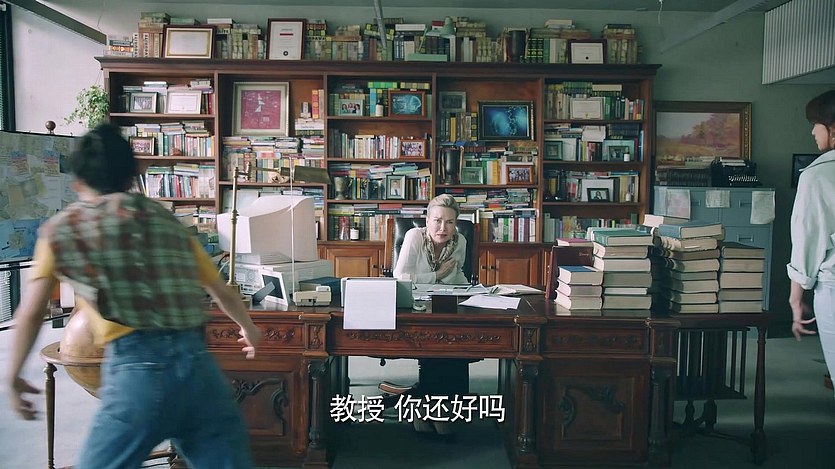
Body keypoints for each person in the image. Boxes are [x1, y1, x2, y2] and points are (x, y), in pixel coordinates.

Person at [6, 123, 261, 468]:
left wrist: (12, 375)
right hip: (200, 369)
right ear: (132, 177)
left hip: (137, 372)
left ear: (77, 182)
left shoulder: (62, 230)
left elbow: (31, 312)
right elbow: (219, 288)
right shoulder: (166, 220)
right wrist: (247, 327)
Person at [391, 194, 469, 438]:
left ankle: (441, 409)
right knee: (437, 341)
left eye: (450, 222)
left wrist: (475, 291)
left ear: (456, 224)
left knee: (455, 341)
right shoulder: (414, 236)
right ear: (427, 221)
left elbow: (457, 277)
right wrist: (436, 275)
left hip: (444, 306)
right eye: (437, 220)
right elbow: (400, 278)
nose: (443, 228)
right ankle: (429, 410)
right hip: (413, 309)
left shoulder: (460, 241)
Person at [788, 89, 835, 394]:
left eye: (816, 124)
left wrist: (796, 299)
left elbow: (807, 241)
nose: (812, 132)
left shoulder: (818, 175)